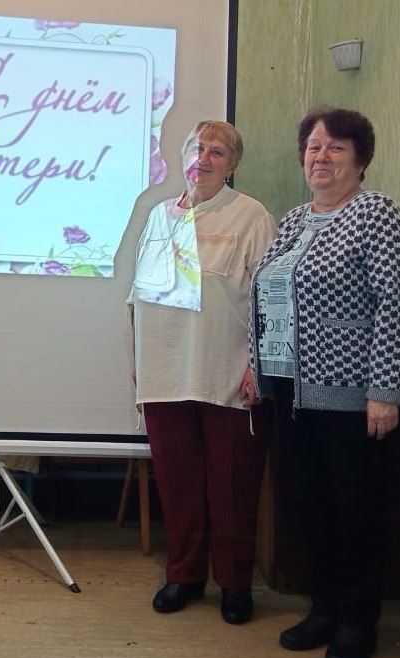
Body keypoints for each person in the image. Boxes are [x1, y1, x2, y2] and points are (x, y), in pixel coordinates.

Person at [249, 108, 400, 658]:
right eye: (313, 147)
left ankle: (357, 621)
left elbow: (398, 303)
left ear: (360, 159)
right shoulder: (296, 219)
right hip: (290, 393)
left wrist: (385, 389)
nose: (321, 157)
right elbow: (271, 297)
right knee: (310, 508)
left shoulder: (375, 213)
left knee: (357, 513)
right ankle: (323, 609)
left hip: (351, 396)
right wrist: (256, 364)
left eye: (336, 147)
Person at [129, 121, 277, 624]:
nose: (204, 158)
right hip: (166, 373)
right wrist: (140, 362)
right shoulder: (159, 215)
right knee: (178, 483)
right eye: (197, 147)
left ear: (232, 165)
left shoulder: (250, 215)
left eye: (218, 152)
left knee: (233, 485)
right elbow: (140, 298)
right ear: (182, 154)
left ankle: (235, 584)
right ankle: (184, 576)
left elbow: (270, 300)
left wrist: (260, 366)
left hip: (228, 373)